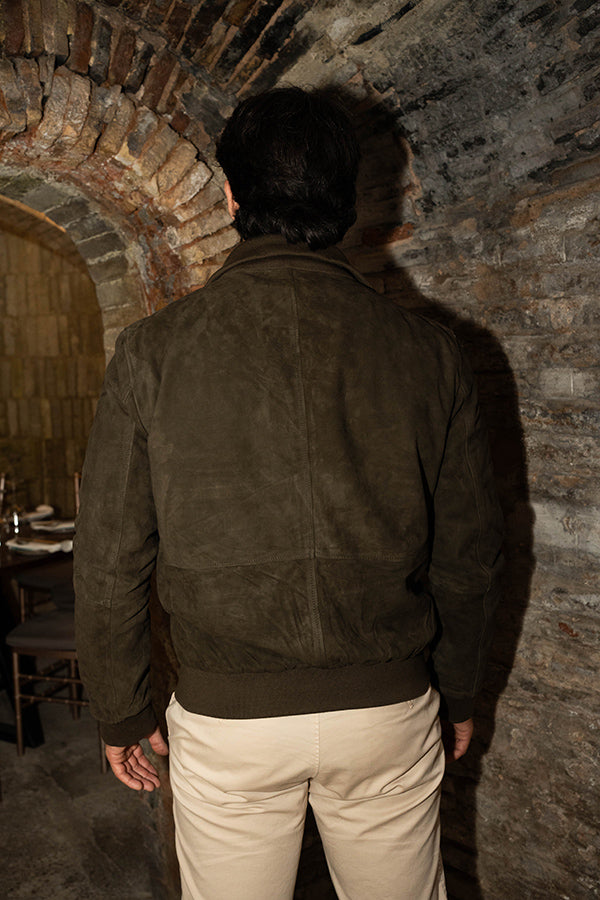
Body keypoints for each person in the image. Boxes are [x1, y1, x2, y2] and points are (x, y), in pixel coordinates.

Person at [74, 87, 503, 900]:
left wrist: (121, 709)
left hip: (229, 720)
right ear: (348, 201)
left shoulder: (153, 353)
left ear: (231, 195)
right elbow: (471, 554)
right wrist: (457, 688)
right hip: (386, 708)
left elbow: (108, 562)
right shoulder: (430, 353)